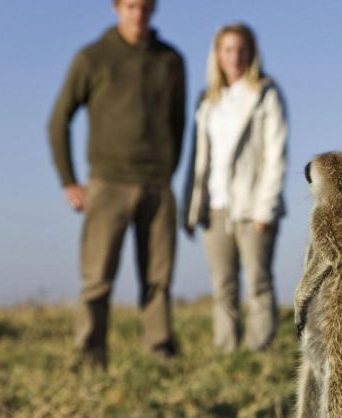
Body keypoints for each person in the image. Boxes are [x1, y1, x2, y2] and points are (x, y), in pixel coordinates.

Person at [48, 0, 186, 367]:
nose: (137, 14)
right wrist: (69, 181)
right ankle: (89, 355)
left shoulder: (170, 60)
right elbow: (58, 120)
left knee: (159, 277)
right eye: (130, 7)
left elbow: (178, 123)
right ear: (116, 8)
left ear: (154, 9)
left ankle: (160, 353)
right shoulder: (92, 58)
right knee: (97, 277)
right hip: (108, 182)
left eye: (144, 7)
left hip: (157, 184)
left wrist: (168, 171)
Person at [182, 23, 289, 352]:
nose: (235, 57)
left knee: (258, 282)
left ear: (252, 53)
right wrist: (194, 206)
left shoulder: (265, 94)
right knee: (223, 286)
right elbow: (201, 159)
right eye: (228, 49)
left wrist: (265, 206)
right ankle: (227, 351)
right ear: (217, 55)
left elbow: (276, 153)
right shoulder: (208, 100)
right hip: (216, 206)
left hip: (254, 206)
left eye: (242, 49)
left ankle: (259, 351)